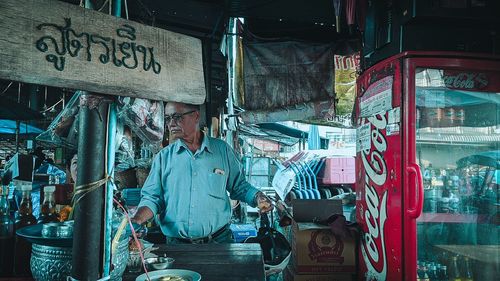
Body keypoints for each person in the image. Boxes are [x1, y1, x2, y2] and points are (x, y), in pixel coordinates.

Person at [131, 102, 273, 244]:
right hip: (177, 245)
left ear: (196, 116)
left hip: (218, 241)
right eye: (167, 118)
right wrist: (137, 220)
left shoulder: (222, 151)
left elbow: (238, 186)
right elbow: (152, 198)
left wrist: (257, 197)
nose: (171, 124)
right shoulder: (164, 157)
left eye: (177, 117)